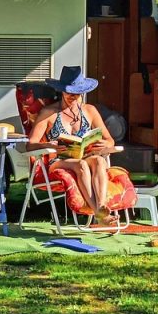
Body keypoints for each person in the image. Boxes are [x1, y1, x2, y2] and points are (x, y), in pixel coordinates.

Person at [26, 65, 118, 224]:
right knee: (81, 165)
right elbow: (30, 144)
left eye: (77, 94)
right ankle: (99, 213)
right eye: (69, 92)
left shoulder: (90, 111)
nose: (73, 97)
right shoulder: (49, 113)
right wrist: (50, 145)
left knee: (99, 161)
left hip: (85, 155)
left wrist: (103, 144)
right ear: (61, 90)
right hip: (58, 160)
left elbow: (110, 140)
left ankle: (102, 206)